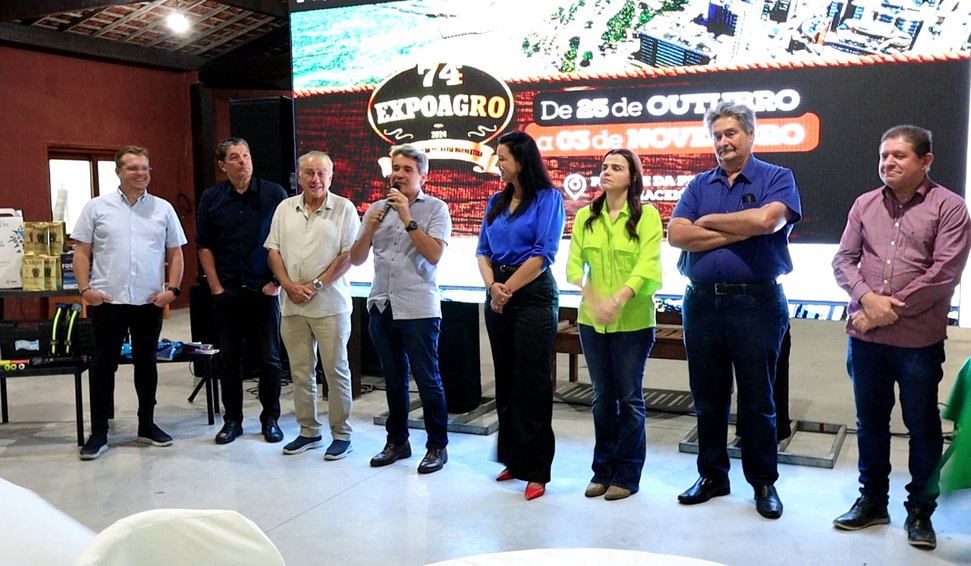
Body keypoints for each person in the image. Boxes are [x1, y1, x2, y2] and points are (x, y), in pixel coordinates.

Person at [831, 125, 971, 550]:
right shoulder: (865, 204)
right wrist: (867, 299)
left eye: (899, 155)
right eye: (884, 155)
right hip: (865, 342)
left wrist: (884, 312)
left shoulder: (950, 207)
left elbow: (944, 274)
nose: (888, 162)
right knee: (870, 423)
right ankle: (873, 501)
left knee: (922, 426)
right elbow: (843, 260)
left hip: (917, 343)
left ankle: (920, 512)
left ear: (926, 161)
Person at [668, 101, 801, 519]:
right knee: (708, 398)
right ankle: (712, 476)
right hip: (701, 303)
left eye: (731, 133)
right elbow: (676, 234)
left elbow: (767, 222)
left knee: (758, 400)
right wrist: (739, 229)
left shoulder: (777, 177)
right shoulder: (699, 184)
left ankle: (763, 483)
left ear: (750, 135)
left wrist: (708, 222)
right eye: (717, 135)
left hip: (755, 303)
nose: (723, 142)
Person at [73, 145, 188, 460]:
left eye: (145, 168)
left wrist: (173, 290)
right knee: (103, 366)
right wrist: (85, 290)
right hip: (107, 301)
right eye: (133, 168)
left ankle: (146, 425)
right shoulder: (97, 207)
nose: (141, 173)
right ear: (119, 172)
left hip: (149, 301)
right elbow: (81, 251)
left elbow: (176, 252)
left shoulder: (163, 209)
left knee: (146, 364)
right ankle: (99, 432)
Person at [566, 149, 663, 501]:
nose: (606, 171)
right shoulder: (585, 217)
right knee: (602, 399)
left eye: (616, 167)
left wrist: (617, 301)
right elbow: (574, 267)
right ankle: (602, 471)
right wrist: (593, 299)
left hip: (633, 323)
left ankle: (627, 475)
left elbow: (648, 268)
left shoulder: (647, 216)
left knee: (629, 399)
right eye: (604, 166)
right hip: (592, 323)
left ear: (632, 177)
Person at [349, 144, 452, 474]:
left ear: (423, 176)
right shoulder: (376, 209)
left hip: (419, 307)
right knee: (393, 380)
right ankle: (397, 441)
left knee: (427, 379)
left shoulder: (436, 209)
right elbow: (356, 258)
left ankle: (437, 446)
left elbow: (433, 254)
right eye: (396, 168)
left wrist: (407, 217)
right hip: (382, 304)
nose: (399, 174)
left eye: (408, 169)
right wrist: (369, 227)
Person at [476, 130, 566, 501]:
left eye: (502, 158)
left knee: (533, 383)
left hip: (531, 296)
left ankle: (537, 470)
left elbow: (543, 254)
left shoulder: (549, 199)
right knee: (507, 380)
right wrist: (492, 288)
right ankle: (513, 458)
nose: (497, 164)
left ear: (522, 161)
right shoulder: (496, 201)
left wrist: (506, 289)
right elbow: (483, 250)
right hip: (498, 293)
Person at [265, 151, 360, 460]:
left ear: (330, 177)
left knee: (336, 371)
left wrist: (317, 284)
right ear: (299, 176)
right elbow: (273, 251)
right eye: (309, 173)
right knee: (301, 372)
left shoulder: (344, 208)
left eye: (321, 173)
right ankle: (309, 431)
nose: (315, 179)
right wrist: (288, 285)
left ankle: (342, 434)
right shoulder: (284, 208)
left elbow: (348, 255)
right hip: (292, 305)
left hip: (330, 305)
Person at [197, 137, 288, 446]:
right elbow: (204, 245)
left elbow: (286, 241)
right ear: (222, 165)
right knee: (229, 361)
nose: (242, 162)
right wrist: (215, 286)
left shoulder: (274, 194)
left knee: (270, 359)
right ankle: (232, 420)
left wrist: (277, 282)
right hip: (227, 292)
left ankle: (270, 419)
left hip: (264, 291)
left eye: (246, 155)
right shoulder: (211, 198)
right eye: (234, 157)